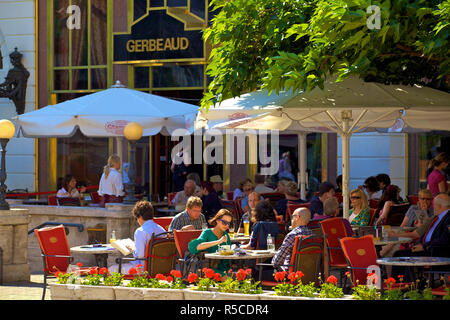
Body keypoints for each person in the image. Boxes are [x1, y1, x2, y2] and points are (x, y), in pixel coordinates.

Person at [391, 193, 450, 279]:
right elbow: (425, 233)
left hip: (436, 251)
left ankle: (409, 286)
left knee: (407, 258)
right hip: (427, 248)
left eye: (434, 205)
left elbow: (445, 239)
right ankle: (397, 285)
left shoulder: (448, 218)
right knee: (398, 254)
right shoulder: (436, 217)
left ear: (439, 206)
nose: (433, 207)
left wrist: (424, 246)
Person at [108, 201, 167, 274]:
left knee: (110, 269)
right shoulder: (161, 229)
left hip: (144, 268)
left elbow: (140, 255)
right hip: (161, 267)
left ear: (140, 217)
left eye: (136, 218)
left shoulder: (141, 231)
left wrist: (133, 249)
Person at [188, 209, 233, 276]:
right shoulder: (207, 232)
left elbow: (227, 256)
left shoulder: (226, 235)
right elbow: (195, 247)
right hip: (207, 268)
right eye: (224, 222)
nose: (226, 225)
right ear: (217, 220)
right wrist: (218, 241)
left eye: (229, 223)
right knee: (227, 277)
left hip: (223, 267)